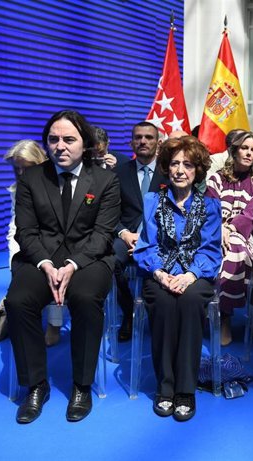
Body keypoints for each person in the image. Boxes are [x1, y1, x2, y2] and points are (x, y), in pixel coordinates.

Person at [4, 110, 121, 424]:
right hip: (40, 258)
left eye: (69, 139)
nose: (60, 146)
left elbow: (102, 234)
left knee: (84, 299)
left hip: (88, 259)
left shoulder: (106, 180)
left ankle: (81, 386)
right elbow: (26, 231)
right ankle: (36, 385)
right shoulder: (31, 178)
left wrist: (72, 264)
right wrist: (45, 264)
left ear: (85, 143)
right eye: (53, 139)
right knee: (18, 301)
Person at [133, 136, 221, 422]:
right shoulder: (151, 201)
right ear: (166, 168)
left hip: (197, 274)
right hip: (157, 273)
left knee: (190, 302)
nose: (180, 170)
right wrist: (159, 273)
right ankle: (165, 387)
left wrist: (190, 274)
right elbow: (145, 245)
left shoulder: (209, 206)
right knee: (164, 305)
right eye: (174, 164)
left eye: (187, 164)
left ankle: (186, 390)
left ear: (198, 170)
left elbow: (210, 248)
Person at [0, 140, 64, 345]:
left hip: (55, 242)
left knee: (55, 272)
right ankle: (8, 311)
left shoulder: (60, 184)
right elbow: (16, 225)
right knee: (19, 269)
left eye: (27, 168)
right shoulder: (17, 190)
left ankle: (54, 324)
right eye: (17, 169)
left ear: (40, 162)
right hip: (26, 240)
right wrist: (15, 253)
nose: (22, 174)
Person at [206, 131, 253, 346]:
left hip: (248, 235)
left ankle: (225, 315)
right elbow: (210, 209)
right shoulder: (216, 178)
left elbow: (252, 213)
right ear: (234, 149)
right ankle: (224, 317)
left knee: (236, 247)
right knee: (223, 248)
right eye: (244, 148)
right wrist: (219, 228)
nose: (248, 153)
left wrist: (230, 227)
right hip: (215, 233)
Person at [112, 122, 167, 342]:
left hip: (160, 236)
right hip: (126, 235)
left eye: (148, 137)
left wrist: (148, 239)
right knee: (110, 261)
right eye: (138, 137)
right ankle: (129, 313)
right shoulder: (118, 172)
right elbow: (108, 211)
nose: (143, 141)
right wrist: (123, 233)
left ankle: (157, 315)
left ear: (158, 143)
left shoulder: (170, 172)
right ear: (131, 142)